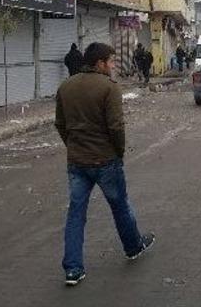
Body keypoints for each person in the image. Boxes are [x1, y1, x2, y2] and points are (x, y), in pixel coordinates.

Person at [55, 42, 155, 286]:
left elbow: (60, 124)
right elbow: (116, 126)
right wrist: (118, 151)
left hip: (77, 161)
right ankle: (133, 247)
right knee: (120, 206)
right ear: (100, 63)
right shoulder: (109, 88)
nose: (113, 66)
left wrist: (73, 146)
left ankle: (73, 269)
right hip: (105, 160)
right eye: (111, 62)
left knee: (76, 214)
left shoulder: (66, 86)